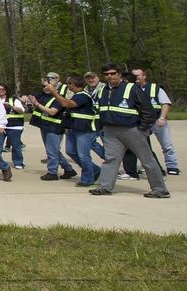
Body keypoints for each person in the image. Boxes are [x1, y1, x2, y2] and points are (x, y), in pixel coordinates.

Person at [90, 65, 169, 198]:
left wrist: (143, 129)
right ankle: (104, 187)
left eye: (112, 73)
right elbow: (99, 110)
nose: (109, 76)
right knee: (111, 159)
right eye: (106, 74)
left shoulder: (132, 88)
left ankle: (160, 189)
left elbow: (148, 110)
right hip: (110, 130)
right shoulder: (103, 90)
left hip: (132, 130)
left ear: (119, 74)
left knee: (147, 159)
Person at [23, 75, 78, 181]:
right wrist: (28, 97)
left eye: (47, 85)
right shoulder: (44, 95)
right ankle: (68, 169)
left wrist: (37, 104)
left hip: (55, 127)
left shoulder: (59, 98)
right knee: (53, 150)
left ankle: (52, 172)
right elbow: (32, 95)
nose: (44, 87)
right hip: (45, 125)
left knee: (52, 151)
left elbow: (52, 112)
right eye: (43, 86)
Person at [56, 74, 102, 186]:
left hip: (85, 130)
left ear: (73, 84)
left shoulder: (82, 96)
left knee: (83, 155)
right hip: (73, 129)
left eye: (68, 83)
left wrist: (54, 92)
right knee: (70, 151)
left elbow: (67, 104)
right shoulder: (76, 95)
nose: (67, 85)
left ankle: (88, 178)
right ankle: (95, 170)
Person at [134, 68, 178, 176]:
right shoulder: (132, 89)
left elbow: (165, 103)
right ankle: (150, 166)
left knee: (166, 145)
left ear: (144, 76)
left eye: (137, 76)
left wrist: (162, 118)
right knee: (144, 146)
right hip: (142, 122)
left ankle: (172, 166)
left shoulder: (155, 88)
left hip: (157, 120)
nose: (135, 78)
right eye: (133, 76)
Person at [0, 84, 27, 170]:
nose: (0, 91)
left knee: (16, 146)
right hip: (0, 126)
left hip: (14, 126)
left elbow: (22, 111)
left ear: (6, 90)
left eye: (2, 89)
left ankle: (18, 162)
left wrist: (11, 107)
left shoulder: (13, 99)